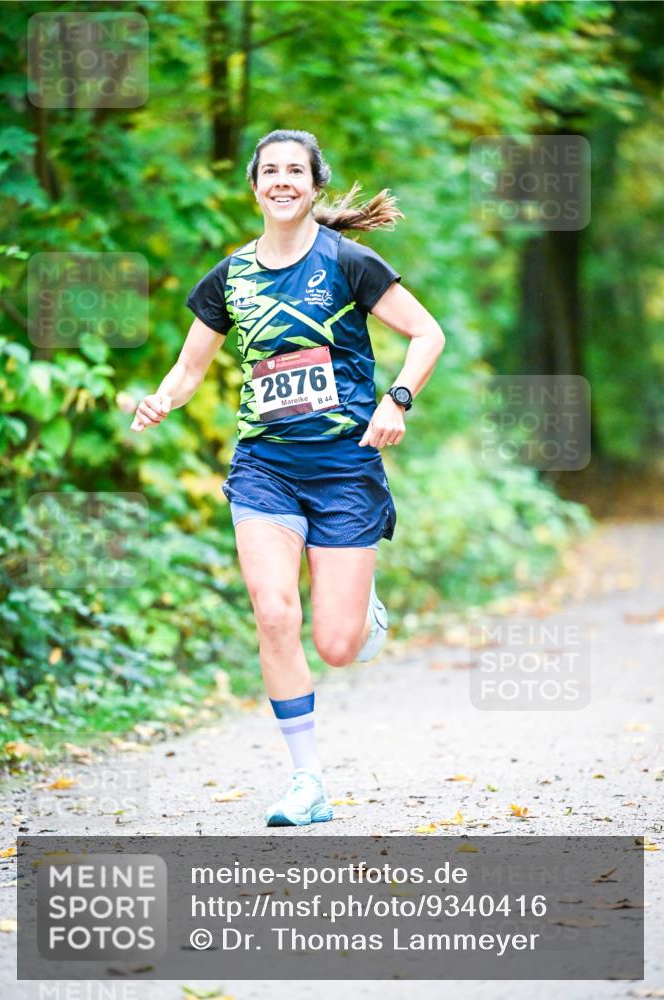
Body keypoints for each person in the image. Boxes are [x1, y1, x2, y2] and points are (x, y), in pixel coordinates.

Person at [130, 128, 445, 827]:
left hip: (342, 469)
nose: (280, 180)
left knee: (336, 647)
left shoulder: (350, 262)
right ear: (253, 186)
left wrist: (397, 400)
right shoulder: (229, 278)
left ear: (313, 184)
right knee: (273, 612)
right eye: (268, 170)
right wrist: (162, 398)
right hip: (264, 468)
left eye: (293, 170)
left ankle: (362, 609)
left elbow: (427, 335)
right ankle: (306, 782)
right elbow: (189, 370)